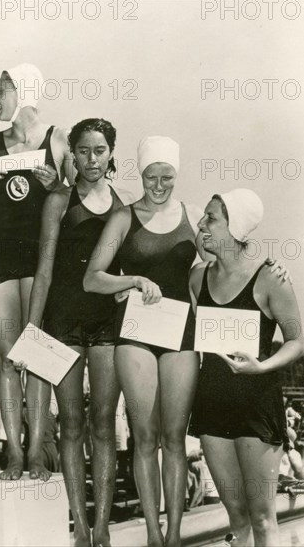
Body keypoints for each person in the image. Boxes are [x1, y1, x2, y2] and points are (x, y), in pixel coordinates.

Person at [83, 136, 205, 547]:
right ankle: (153, 533)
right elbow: (92, 277)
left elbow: (229, 256)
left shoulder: (194, 216)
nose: (158, 185)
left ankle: (173, 535)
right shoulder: (124, 217)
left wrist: (270, 265)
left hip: (180, 332)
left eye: (166, 177)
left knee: (175, 438)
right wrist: (132, 279)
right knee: (145, 436)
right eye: (151, 177)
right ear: (140, 174)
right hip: (135, 332)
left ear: (177, 174)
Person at [0, 63, 76, 481]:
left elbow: (74, 201)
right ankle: (13, 452)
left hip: (39, 260)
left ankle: (35, 454)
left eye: (0, 92)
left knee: (38, 357)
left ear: (23, 91)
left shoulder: (58, 139)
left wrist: (57, 186)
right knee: (10, 357)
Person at [23, 118, 132, 545]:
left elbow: (126, 270)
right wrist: (32, 329)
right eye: (83, 151)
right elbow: (44, 270)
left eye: (100, 151)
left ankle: (103, 527)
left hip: (107, 325)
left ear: (111, 154)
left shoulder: (124, 206)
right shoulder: (58, 201)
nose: (92, 160)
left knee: (103, 424)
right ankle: (81, 529)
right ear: (72, 154)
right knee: (70, 423)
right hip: (63, 321)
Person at [188, 189, 304, 547]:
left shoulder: (270, 278)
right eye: (204, 217)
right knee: (236, 516)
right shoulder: (197, 279)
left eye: (212, 218)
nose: (202, 223)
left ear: (235, 228)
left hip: (257, 404)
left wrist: (261, 367)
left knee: (262, 518)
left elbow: (298, 341)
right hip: (212, 404)